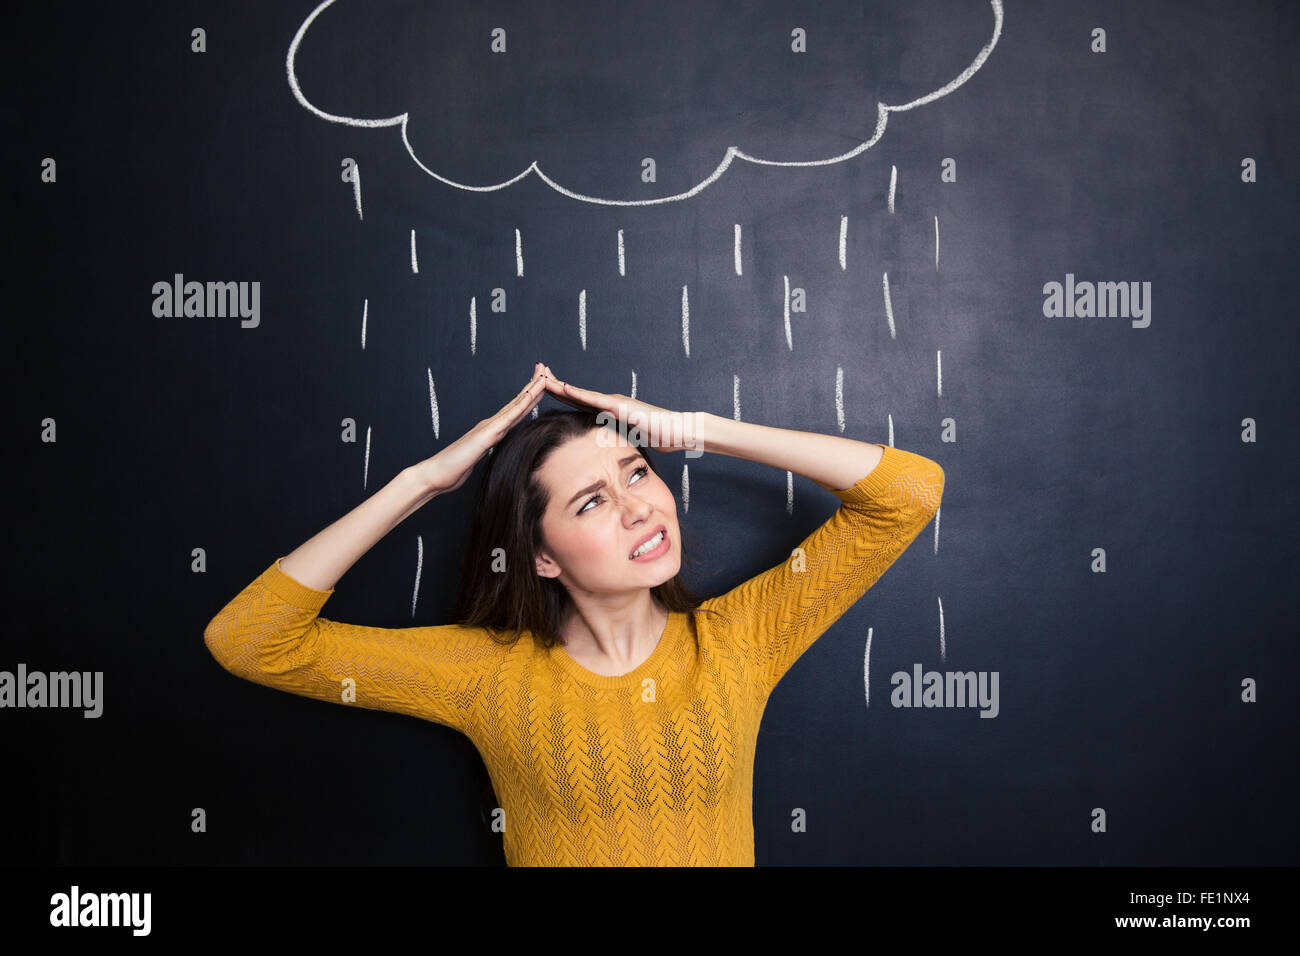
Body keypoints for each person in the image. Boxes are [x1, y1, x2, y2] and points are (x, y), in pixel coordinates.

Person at [203, 362, 944, 865]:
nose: (638, 509)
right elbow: (249, 641)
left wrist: (695, 429)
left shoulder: (739, 639)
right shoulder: (484, 675)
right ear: (541, 558)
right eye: (591, 502)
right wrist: (424, 482)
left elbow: (909, 493)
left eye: (638, 473)